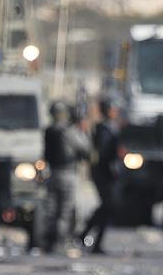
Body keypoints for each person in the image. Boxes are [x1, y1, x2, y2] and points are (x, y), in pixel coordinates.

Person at [43, 101, 92, 254]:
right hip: (67, 173)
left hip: (52, 174)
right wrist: (83, 130)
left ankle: (49, 241)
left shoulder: (49, 130)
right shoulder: (69, 131)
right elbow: (86, 149)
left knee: (51, 210)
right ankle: (59, 242)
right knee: (65, 211)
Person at [79, 98, 122, 254]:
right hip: (104, 173)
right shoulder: (103, 129)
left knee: (107, 207)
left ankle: (86, 235)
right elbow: (104, 154)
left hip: (106, 173)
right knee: (108, 206)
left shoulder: (110, 128)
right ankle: (90, 239)